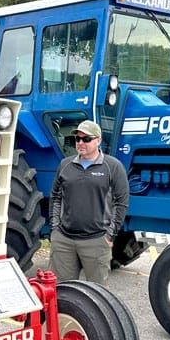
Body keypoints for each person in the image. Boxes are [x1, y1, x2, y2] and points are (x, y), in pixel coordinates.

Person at [48, 120, 129, 285]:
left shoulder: (112, 167)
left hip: (96, 240)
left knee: (98, 296)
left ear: (98, 140)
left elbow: (121, 203)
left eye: (86, 139)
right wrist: (55, 229)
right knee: (61, 291)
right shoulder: (65, 165)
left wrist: (110, 235)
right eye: (77, 139)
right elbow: (55, 197)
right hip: (64, 240)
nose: (80, 143)